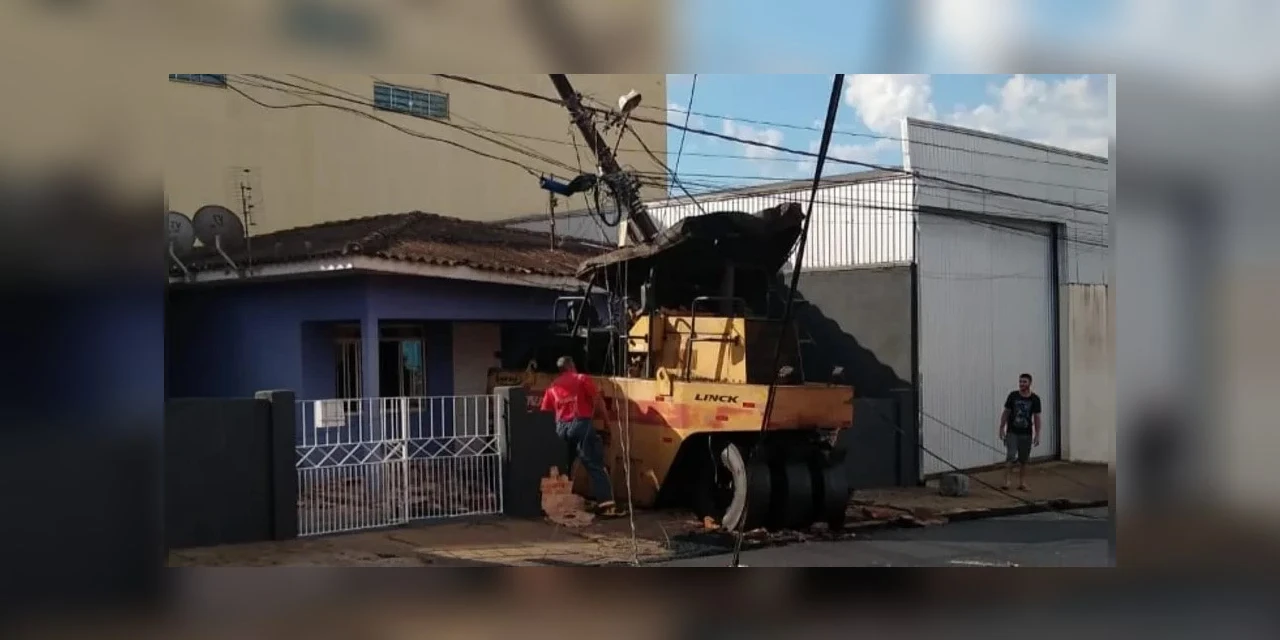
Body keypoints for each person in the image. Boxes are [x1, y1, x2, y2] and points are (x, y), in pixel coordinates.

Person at [539, 356, 620, 516]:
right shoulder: (582, 379)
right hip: (580, 424)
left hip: (561, 428)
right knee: (595, 465)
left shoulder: (553, 386)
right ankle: (607, 506)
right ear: (572, 366)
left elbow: (544, 412)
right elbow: (598, 402)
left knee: (565, 467)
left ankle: (560, 503)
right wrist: (607, 424)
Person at [999, 373, 1042, 491]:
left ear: (1030, 383)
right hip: (1012, 432)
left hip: (1026, 433)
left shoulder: (1035, 399)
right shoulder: (1013, 396)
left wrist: (1037, 434)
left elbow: (1037, 417)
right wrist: (1001, 427)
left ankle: (1022, 483)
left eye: (1024, 382)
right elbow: (1006, 412)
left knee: (1024, 459)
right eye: (1020, 381)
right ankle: (1007, 481)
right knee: (1011, 456)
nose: (1022, 384)